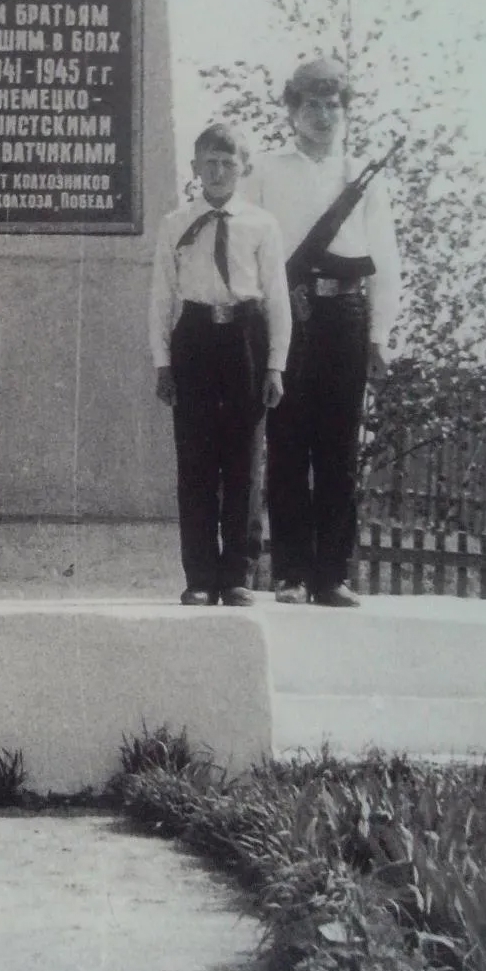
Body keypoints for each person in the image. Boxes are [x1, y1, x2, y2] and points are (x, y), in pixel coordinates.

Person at [242, 56, 402, 608]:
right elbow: (247, 247)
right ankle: (289, 573)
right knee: (287, 443)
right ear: (292, 110)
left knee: (339, 447)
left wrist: (380, 333)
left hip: (347, 316)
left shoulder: (361, 176)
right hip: (287, 313)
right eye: (312, 105)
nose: (323, 116)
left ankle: (332, 575)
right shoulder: (264, 169)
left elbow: (385, 258)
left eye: (333, 105)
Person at [149, 122, 291, 607]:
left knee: (243, 461)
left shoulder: (261, 225)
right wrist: (163, 362)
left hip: (246, 338)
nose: (218, 172)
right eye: (209, 162)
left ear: (243, 169)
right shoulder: (175, 224)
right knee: (195, 461)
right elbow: (161, 297)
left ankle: (236, 575)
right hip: (194, 337)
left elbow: (277, 297)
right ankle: (200, 576)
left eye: (228, 163)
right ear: (195, 167)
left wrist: (276, 365)